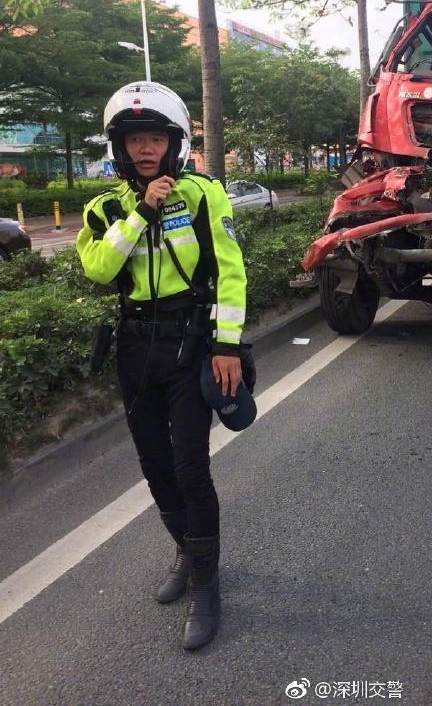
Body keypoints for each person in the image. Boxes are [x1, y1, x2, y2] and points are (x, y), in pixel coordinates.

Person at [76, 80, 247, 651]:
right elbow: (100, 269)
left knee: (190, 468)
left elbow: (229, 271)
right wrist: (141, 212)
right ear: (120, 149)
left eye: (155, 138)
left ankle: (206, 586)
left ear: (173, 143)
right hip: (134, 348)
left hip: (190, 343)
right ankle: (186, 550)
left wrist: (227, 346)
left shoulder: (202, 194)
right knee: (155, 467)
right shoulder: (105, 209)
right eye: (134, 140)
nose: (145, 148)